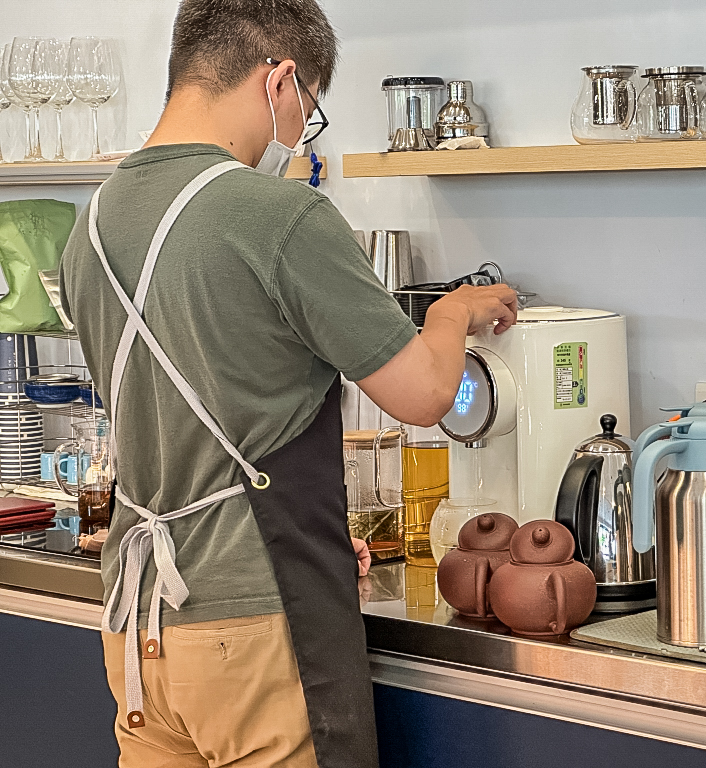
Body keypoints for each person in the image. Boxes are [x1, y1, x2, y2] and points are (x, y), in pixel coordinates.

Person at [59, 1, 517, 766]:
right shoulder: (276, 215)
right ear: (280, 80)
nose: (301, 133)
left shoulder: (94, 222)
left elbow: (191, 409)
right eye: (308, 109)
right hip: (255, 631)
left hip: (140, 633)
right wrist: (450, 314)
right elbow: (425, 395)